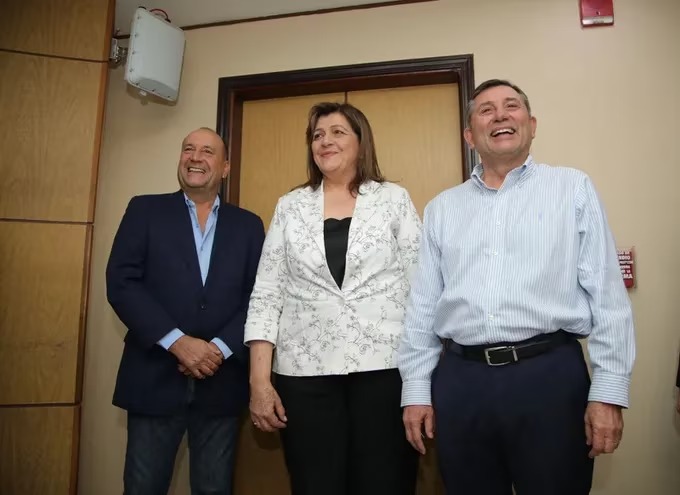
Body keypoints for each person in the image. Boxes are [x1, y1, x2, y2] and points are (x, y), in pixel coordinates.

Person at [398, 79, 636, 495]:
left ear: (532, 124)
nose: (501, 115)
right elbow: (422, 308)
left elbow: (608, 298)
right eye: (486, 110)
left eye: (511, 106)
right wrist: (416, 390)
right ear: (470, 135)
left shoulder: (572, 188)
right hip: (461, 381)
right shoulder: (442, 209)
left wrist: (608, 392)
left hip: (549, 377)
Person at [244, 102, 422, 495]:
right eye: (317, 135)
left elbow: (421, 288)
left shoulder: (393, 199)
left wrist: (425, 378)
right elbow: (267, 294)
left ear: (361, 142)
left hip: (386, 371)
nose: (325, 141)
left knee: (385, 482)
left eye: (338, 132)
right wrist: (260, 381)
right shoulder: (290, 206)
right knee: (314, 484)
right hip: (305, 377)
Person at [106, 127, 265, 495]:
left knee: (214, 488)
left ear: (225, 167)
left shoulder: (249, 225)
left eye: (208, 151)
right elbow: (122, 282)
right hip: (153, 379)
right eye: (188, 149)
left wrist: (218, 349)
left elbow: (259, 298)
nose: (196, 157)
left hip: (222, 383)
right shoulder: (144, 209)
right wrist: (178, 342)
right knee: (143, 487)